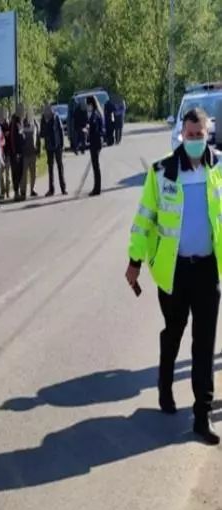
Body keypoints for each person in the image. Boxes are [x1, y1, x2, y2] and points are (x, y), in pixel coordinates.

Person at [125, 107, 222, 444]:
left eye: (200, 135)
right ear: (182, 134)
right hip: (175, 271)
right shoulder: (163, 171)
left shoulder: (220, 168)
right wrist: (134, 260)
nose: (195, 140)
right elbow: (145, 218)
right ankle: (165, 384)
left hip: (209, 270)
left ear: (208, 133)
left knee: (205, 344)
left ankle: (202, 415)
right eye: (190, 134)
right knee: (175, 331)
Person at [40, 104, 67, 196]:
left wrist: (62, 144)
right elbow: (42, 134)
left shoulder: (56, 117)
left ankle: (63, 188)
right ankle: (51, 189)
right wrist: (46, 124)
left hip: (57, 145)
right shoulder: (43, 119)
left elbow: (60, 130)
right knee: (50, 168)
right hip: (49, 146)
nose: (48, 112)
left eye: (49, 110)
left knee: (60, 167)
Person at [85, 96, 104, 196]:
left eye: (88, 105)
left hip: (95, 142)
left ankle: (97, 189)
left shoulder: (95, 115)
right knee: (96, 166)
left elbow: (95, 129)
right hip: (97, 142)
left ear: (91, 104)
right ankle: (97, 188)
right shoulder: (97, 113)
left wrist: (88, 130)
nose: (87, 107)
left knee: (96, 167)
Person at [21, 107, 40, 197]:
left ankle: (32, 190)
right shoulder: (22, 124)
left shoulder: (35, 123)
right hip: (25, 154)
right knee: (24, 174)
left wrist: (38, 150)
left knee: (33, 173)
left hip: (33, 153)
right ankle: (23, 191)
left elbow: (38, 138)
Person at [9, 112, 25, 200]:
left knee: (20, 172)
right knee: (16, 173)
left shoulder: (20, 123)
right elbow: (13, 139)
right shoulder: (14, 124)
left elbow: (22, 136)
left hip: (21, 152)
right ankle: (16, 192)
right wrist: (16, 153)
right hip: (16, 154)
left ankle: (19, 191)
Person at [0, 113, 12, 200]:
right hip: (2, 153)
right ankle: (3, 191)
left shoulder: (10, 126)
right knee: (1, 174)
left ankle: (7, 192)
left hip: (8, 153)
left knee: (7, 174)